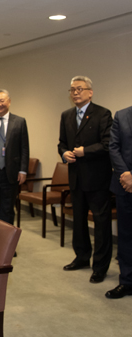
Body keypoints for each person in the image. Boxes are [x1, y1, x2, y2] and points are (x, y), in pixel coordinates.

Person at [58, 76, 112, 284]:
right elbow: (62, 143)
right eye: (72, 89)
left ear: (90, 92)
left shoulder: (102, 113)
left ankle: (100, 266)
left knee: (100, 223)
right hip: (76, 178)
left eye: (80, 89)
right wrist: (64, 154)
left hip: (98, 178)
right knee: (78, 221)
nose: (75, 93)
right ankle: (81, 257)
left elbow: (107, 144)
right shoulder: (66, 115)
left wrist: (84, 152)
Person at [0, 89, 30, 226]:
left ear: (9, 102)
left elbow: (24, 148)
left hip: (10, 174)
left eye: (2, 101)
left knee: (7, 210)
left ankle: (7, 246)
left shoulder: (19, 122)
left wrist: (23, 170)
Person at [106, 106, 132, 298]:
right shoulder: (121, 115)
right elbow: (113, 146)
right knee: (126, 235)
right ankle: (127, 281)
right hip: (125, 186)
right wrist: (126, 175)